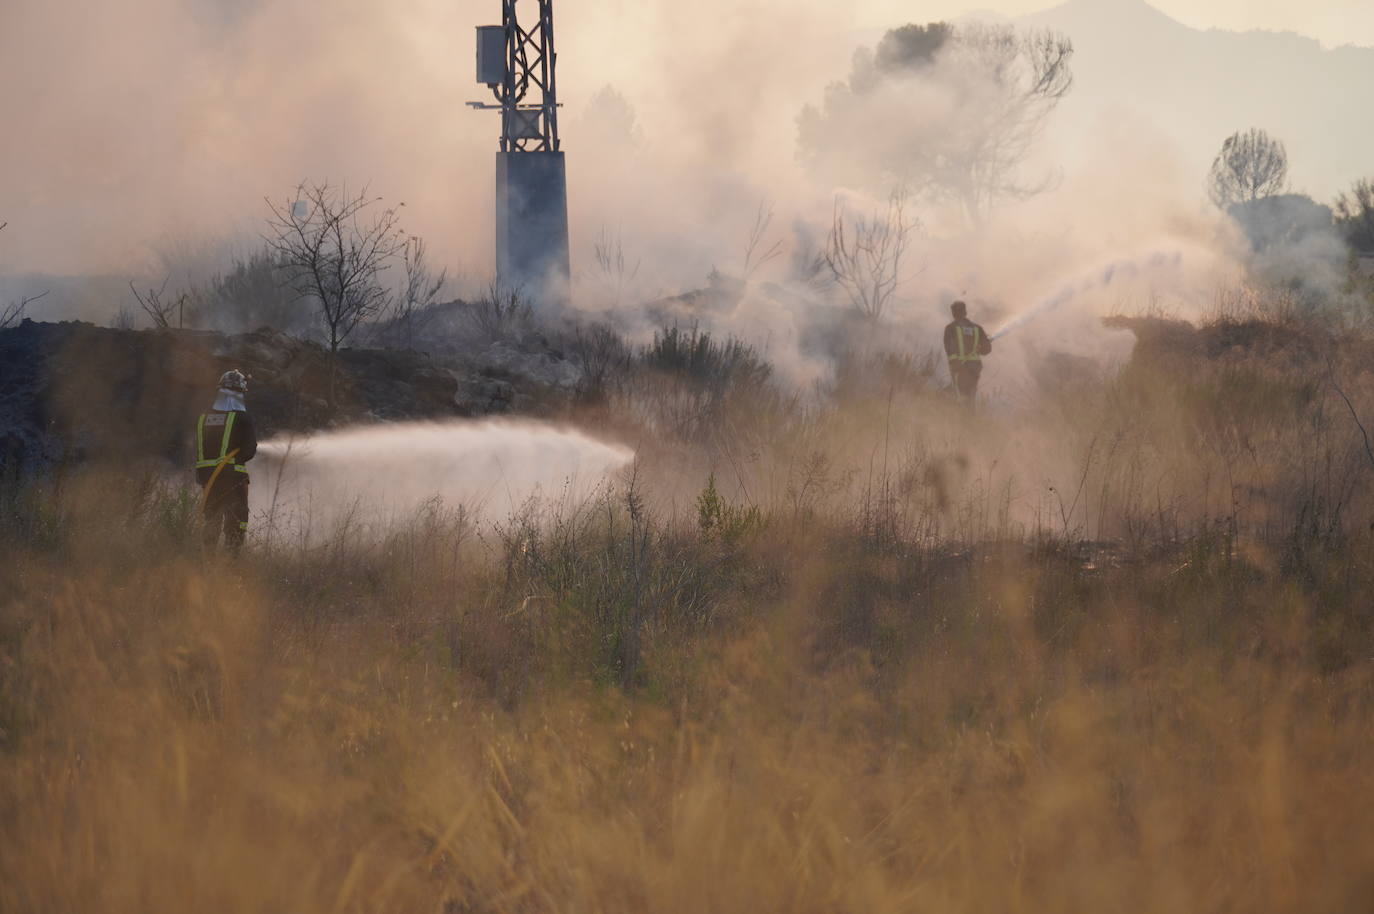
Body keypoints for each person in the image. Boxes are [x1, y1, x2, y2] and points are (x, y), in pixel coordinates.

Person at [195, 369, 257, 550]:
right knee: (237, 520)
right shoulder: (242, 418)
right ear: (239, 393)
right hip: (233, 479)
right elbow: (249, 450)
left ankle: (206, 560)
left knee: (211, 519)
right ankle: (230, 564)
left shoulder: (203, 418)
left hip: (207, 479)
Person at [943, 300, 992, 403]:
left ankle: (964, 417)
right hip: (975, 367)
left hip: (961, 367)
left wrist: (954, 363)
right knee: (971, 394)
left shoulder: (950, 328)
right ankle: (970, 416)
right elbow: (986, 350)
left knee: (963, 396)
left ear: (953, 313)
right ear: (965, 312)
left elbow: (949, 348)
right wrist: (984, 344)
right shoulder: (977, 328)